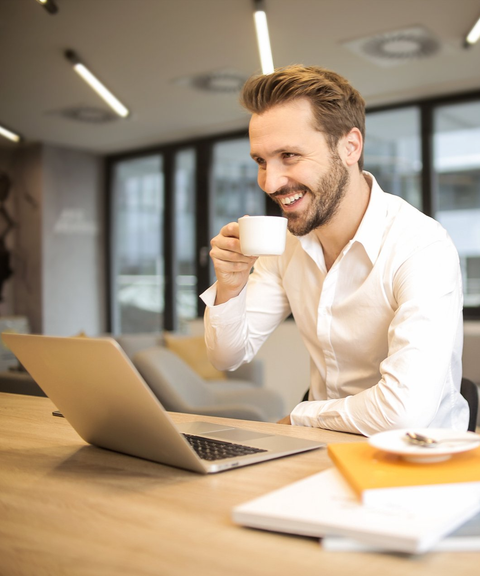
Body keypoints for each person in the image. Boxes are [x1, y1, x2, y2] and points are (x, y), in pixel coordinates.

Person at [200, 65, 468, 436]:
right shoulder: (287, 245)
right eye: (261, 161)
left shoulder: (421, 246)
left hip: (417, 459)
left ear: (350, 147)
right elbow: (227, 356)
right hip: (323, 450)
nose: (270, 182)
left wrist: (300, 416)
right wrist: (230, 286)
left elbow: (403, 412)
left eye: (289, 155)